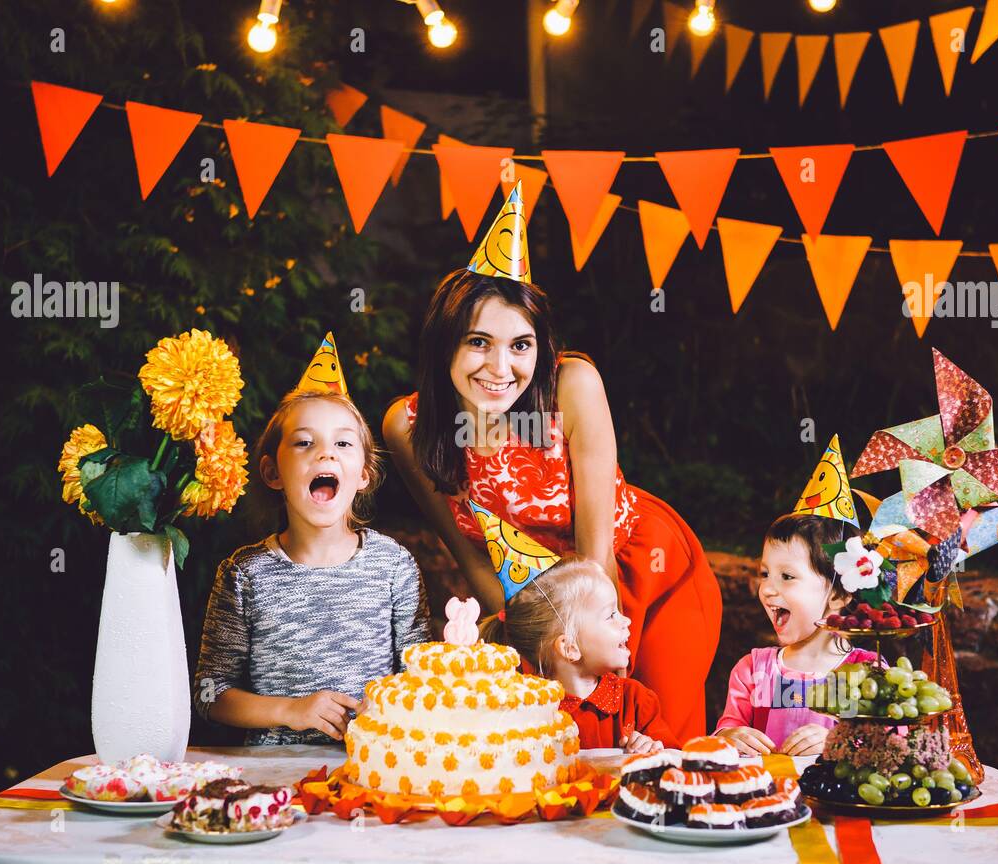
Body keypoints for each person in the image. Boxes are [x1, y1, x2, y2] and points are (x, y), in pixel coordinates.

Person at [383, 185, 721, 741]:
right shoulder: (407, 427)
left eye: (520, 345)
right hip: (537, 604)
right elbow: (473, 561)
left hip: (639, 574)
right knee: (548, 742)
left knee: (656, 740)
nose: (500, 367)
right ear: (444, 345)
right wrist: (529, 641)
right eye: (478, 342)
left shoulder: (572, 386)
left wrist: (598, 656)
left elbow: (596, 557)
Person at [193, 342, 430, 745]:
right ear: (272, 472)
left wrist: (392, 707)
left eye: (343, 444)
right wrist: (291, 710)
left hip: (372, 767)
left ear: (364, 474)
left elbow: (422, 680)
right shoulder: (244, 575)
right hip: (274, 774)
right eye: (304, 442)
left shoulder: (395, 567)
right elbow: (209, 694)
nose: (326, 454)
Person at [475, 538, 679, 753]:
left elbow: (675, 760)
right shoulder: (527, 711)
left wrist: (653, 748)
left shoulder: (635, 702)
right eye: (610, 615)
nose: (626, 620)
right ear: (569, 647)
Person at [714, 513, 879, 756]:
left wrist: (840, 741)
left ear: (838, 595)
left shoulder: (869, 673)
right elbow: (726, 731)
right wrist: (728, 737)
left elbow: (890, 745)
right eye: (765, 574)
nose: (767, 589)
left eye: (787, 577)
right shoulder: (752, 671)